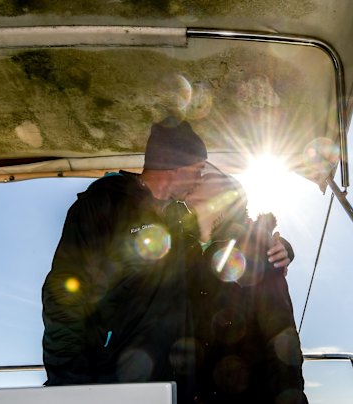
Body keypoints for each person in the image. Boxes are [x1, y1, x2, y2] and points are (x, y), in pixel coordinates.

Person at [41, 117, 293, 403]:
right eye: (197, 171)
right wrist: (67, 384)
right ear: (175, 166)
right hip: (110, 379)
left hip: (172, 386)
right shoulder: (102, 206)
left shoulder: (178, 220)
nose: (199, 180)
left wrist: (278, 245)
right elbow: (64, 295)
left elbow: (225, 239)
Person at [185, 171, 308, 404]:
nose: (195, 180)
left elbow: (281, 334)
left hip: (250, 392)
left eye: (205, 178)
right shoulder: (180, 247)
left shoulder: (259, 247)